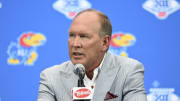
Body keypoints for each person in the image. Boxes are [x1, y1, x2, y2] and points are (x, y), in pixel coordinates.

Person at [38, 9, 147, 101]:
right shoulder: (51, 77)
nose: (75, 44)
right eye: (71, 35)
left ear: (104, 42)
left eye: (84, 36)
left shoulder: (128, 71)